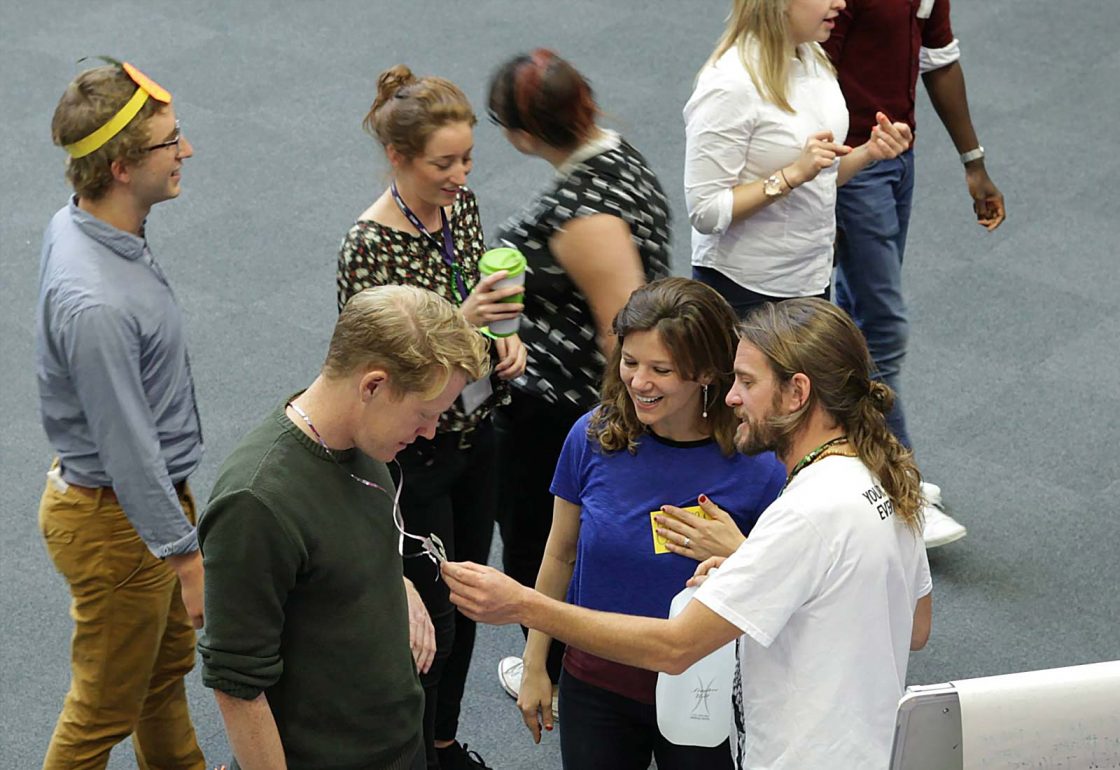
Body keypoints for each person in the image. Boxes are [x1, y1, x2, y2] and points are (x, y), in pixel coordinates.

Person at [444, 297, 933, 770]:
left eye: (745, 381)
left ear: (797, 393)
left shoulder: (804, 513)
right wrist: (759, 573)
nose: (733, 394)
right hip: (866, 746)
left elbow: (675, 649)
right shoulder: (884, 475)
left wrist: (523, 605)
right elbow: (916, 627)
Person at [198, 285, 490, 770]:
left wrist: (400, 588)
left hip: (396, 744)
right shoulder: (255, 504)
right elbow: (237, 687)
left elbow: (337, 547)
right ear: (372, 386)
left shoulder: (363, 444)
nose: (430, 433)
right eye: (424, 413)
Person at [337, 64, 526, 770]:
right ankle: (413, 752)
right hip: (413, 454)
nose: (460, 175)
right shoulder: (368, 247)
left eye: (467, 159)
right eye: (442, 163)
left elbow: (483, 290)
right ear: (398, 157)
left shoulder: (463, 208)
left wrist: (505, 334)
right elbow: (369, 375)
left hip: (479, 434)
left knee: (474, 593)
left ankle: (443, 743)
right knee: (431, 621)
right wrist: (459, 322)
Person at [517, 278, 786, 769]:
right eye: (630, 361)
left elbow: (782, 594)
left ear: (706, 373)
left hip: (704, 688)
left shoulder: (758, 464)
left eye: (661, 369)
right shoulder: (592, 436)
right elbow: (560, 552)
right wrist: (536, 664)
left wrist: (741, 551)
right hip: (596, 684)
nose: (638, 382)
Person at [485, 48, 672, 702]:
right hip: (573, 410)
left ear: (522, 135)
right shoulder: (618, 155)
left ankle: (557, 673)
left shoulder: (583, 212)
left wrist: (622, 431)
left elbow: (620, 327)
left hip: (558, 417)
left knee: (542, 543)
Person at [35, 60, 206, 769]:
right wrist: (186, 556)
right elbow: (130, 449)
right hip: (123, 524)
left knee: (159, 678)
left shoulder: (84, 223)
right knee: (99, 714)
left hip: (138, 510)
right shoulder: (96, 304)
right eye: (171, 142)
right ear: (118, 167)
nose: (186, 151)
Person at [822, 0, 1006, 547]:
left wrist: (973, 162)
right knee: (881, 329)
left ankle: (852, 459)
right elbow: (808, 67)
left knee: (854, 321)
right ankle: (898, 489)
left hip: (897, 159)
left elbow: (939, 59)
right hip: (850, 164)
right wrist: (822, 190)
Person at [685, 0, 912, 315]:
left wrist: (868, 153)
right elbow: (705, 211)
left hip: (810, 279)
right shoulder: (729, 85)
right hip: (745, 291)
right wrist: (790, 176)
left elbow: (820, 176)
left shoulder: (812, 55)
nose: (841, 3)